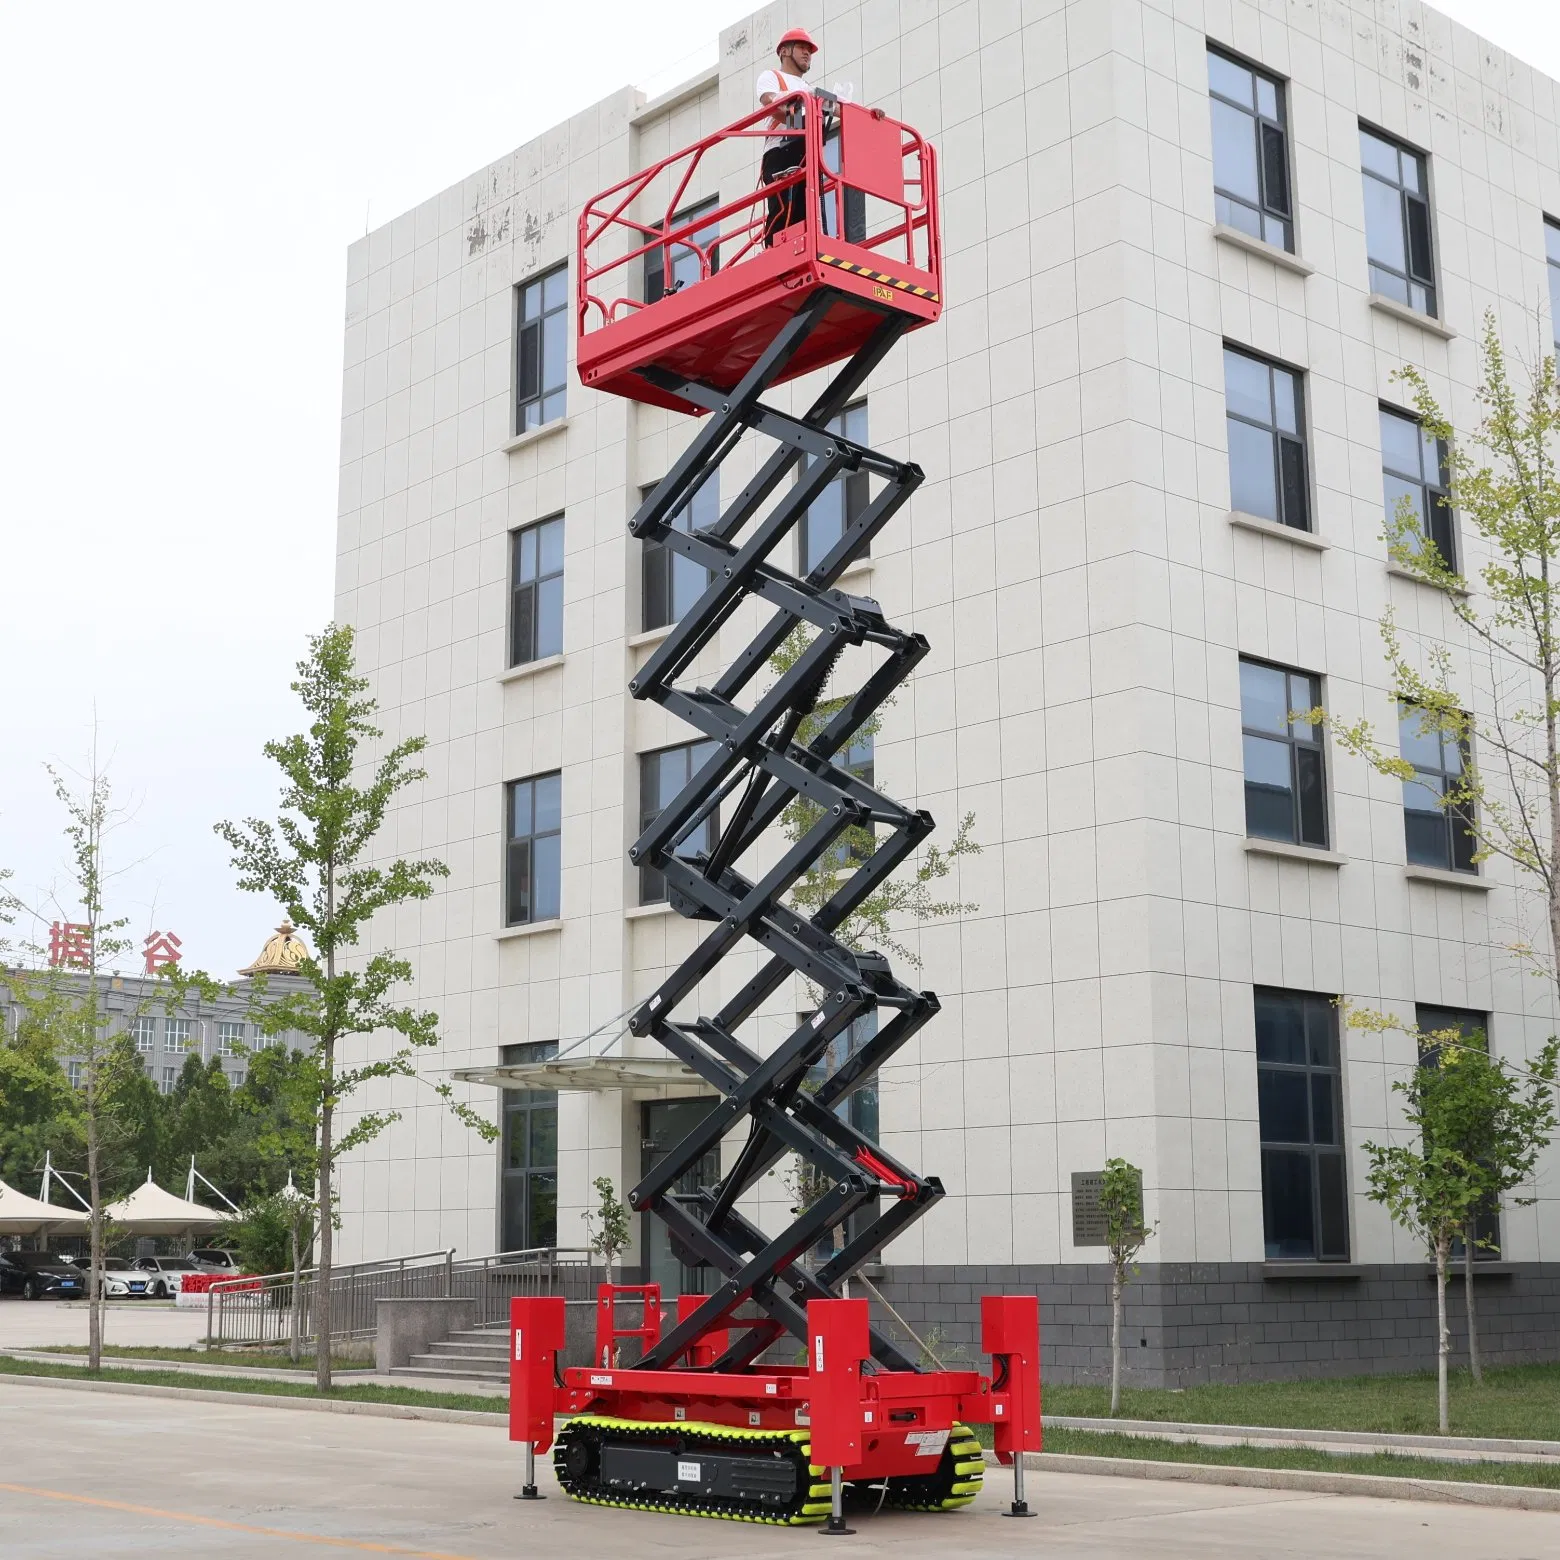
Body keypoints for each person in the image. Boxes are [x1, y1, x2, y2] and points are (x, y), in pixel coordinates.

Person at [757, 28, 817, 242]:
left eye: (809, 50)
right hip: (780, 151)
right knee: (783, 208)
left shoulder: (809, 88)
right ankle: (774, 246)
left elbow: (837, 108)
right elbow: (770, 102)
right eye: (802, 47)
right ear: (784, 51)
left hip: (805, 150)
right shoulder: (772, 77)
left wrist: (869, 113)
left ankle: (808, 241)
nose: (807, 53)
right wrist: (802, 119)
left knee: (807, 207)